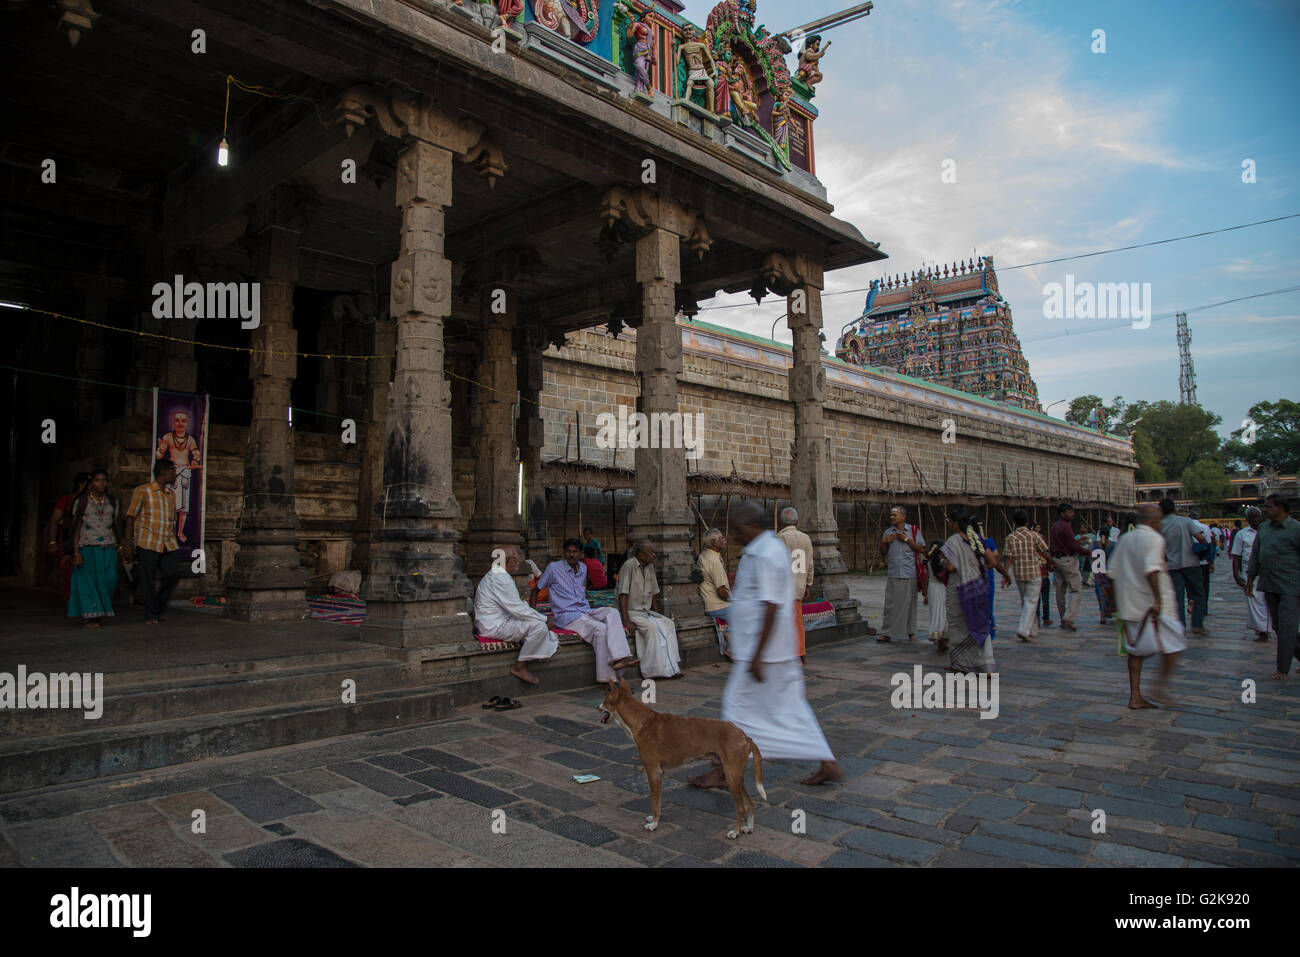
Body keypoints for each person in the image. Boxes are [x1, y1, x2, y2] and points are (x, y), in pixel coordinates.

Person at [689, 501, 841, 788]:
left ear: (751, 526)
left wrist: (757, 655)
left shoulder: (769, 553)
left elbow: (772, 606)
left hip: (766, 652)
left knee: (736, 709)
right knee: (789, 708)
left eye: (737, 529)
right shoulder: (760, 551)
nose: (733, 536)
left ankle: (724, 772)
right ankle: (827, 763)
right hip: (767, 650)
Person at [533, 538, 638, 684]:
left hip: (584, 610)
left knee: (612, 612)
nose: (571, 555)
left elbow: (582, 591)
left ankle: (621, 657)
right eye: (568, 552)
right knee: (600, 629)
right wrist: (536, 616)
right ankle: (608, 679)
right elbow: (535, 590)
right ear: (564, 553)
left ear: (581, 554)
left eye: (575, 552)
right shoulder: (553, 568)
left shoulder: (583, 568)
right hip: (566, 615)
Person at [1111, 503, 1185, 709]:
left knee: (1135, 651)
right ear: (1154, 521)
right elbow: (1151, 570)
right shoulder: (1154, 539)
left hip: (1129, 604)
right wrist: (1158, 600)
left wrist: (1115, 602)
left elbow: (1112, 572)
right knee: (1175, 644)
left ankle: (1135, 696)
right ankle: (1159, 686)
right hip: (1153, 606)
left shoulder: (1125, 538)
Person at [474, 545, 559, 685]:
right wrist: (544, 619)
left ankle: (546, 643)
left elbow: (516, 606)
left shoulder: (498, 575)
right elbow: (517, 609)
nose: (518, 562)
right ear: (506, 561)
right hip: (494, 626)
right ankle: (520, 666)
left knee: (538, 624)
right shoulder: (500, 578)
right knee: (538, 627)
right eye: (516, 558)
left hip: (495, 622)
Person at [939, 509, 1009, 673]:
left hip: (960, 587)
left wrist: (942, 562)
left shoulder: (953, 541)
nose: (950, 524)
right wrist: (975, 568)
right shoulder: (977, 540)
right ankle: (984, 662)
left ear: (956, 524)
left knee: (958, 624)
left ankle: (960, 663)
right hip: (978, 586)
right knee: (978, 623)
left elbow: (951, 566)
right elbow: (991, 562)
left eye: (951, 521)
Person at [1246, 493, 1300, 680]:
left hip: (1291, 586)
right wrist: (1250, 577)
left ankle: (1282, 669)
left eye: (1268, 507)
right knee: (1280, 627)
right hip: (1269, 584)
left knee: (1286, 627)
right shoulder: (1263, 528)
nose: (1265, 510)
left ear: (1280, 508)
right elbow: (1256, 554)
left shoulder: (1295, 529)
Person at [123, 461, 182, 625]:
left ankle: (158, 606)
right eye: (173, 471)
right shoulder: (143, 491)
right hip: (148, 540)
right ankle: (151, 613)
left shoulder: (171, 494)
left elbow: (172, 519)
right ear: (164, 472)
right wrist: (128, 542)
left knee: (173, 573)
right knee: (147, 578)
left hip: (168, 541)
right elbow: (130, 516)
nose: (175, 475)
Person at [617, 540, 683, 680]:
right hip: (632, 611)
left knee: (668, 624)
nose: (653, 555)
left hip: (646, 612)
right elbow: (623, 594)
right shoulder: (628, 566)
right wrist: (626, 620)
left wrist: (657, 614)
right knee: (650, 629)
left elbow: (654, 593)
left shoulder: (650, 567)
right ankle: (651, 670)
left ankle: (672, 667)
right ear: (641, 554)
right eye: (651, 553)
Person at [66, 469, 119, 628]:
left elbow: (116, 524)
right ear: (91, 483)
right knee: (88, 582)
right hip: (87, 547)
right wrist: (76, 552)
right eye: (97, 480)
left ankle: (99, 612)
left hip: (108, 547)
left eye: (104, 480)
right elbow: (77, 528)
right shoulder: (82, 502)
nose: (101, 483)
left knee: (109, 580)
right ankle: (90, 617)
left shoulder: (112, 501)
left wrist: (122, 544)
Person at [1159, 498, 1207, 635]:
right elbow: (1201, 538)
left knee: (1177, 596)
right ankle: (1197, 625)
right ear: (1174, 509)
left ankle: (1179, 626)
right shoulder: (1185, 521)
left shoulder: (1160, 525)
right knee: (1198, 594)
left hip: (1172, 565)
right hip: (1191, 562)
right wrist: (1201, 551)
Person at [878, 505, 925, 643]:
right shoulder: (888, 532)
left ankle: (911, 633)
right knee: (891, 604)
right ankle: (887, 632)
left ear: (903, 516)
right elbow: (883, 552)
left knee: (910, 604)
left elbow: (921, 548)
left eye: (895, 515)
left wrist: (906, 539)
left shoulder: (913, 531)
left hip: (909, 573)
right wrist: (884, 542)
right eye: (891, 515)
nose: (892, 517)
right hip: (893, 573)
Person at [1004, 508, 1051, 642]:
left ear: (1014, 522)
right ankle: (1024, 629)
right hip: (1034, 573)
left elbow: (1009, 558)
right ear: (1027, 521)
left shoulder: (1010, 537)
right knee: (1031, 602)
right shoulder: (1034, 535)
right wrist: (1052, 562)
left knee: (1027, 602)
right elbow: (1045, 551)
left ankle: (1033, 630)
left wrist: (1005, 574)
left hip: (1019, 573)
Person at [156, 410, 201, 544]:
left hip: (185, 472)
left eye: (183, 420)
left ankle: (180, 532)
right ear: (173, 422)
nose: (180, 423)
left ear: (187, 423)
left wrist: (195, 459)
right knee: (171, 505)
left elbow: (196, 454)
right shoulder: (168, 437)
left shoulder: (190, 439)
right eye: (177, 420)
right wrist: (161, 449)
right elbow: (158, 456)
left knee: (183, 507)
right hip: (172, 473)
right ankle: (170, 530)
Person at [777, 507, 814, 660]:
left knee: (785, 621)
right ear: (797, 521)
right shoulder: (805, 537)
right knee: (796, 620)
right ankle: (800, 652)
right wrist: (808, 583)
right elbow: (810, 562)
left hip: (784, 586)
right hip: (799, 584)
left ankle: (796, 652)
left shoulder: (780, 538)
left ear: (781, 522)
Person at [46, 472, 90, 601]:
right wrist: (52, 542)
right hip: (68, 542)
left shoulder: (96, 501)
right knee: (69, 573)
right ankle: (72, 602)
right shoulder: (67, 500)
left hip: (88, 541)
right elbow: (54, 522)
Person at [1231, 507, 1271, 642]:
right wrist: (1236, 574)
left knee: (1268, 601)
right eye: (1251, 517)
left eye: (1256, 517)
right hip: (1249, 573)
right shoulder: (1242, 534)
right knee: (1254, 601)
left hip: (1269, 571)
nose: (1254, 520)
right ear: (1247, 520)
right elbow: (1236, 555)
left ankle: (1268, 628)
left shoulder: (1268, 531)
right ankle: (1262, 631)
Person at [1050, 503, 1090, 631]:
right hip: (1067, 560)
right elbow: (1073, 546)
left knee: (1060, 591)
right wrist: (1088, 552)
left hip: (1057, 559)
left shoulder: (1054, 526)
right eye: (1069, 512)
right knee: (1075, 589)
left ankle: (1063, 619)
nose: (1072, 514)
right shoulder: (1065, 527)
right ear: (1062, 513)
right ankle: (1069, 618)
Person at [696, 529, 731, 613]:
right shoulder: (715, 562)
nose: (725, 540)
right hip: (719, 606)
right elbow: (722, 593)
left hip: (710, 604)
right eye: (721, 538)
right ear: (714, 542)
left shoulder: (704, 554)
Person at [1188, 506, 1213, 618]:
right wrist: (1211, 562)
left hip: (1189, 560)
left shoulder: (1186, 527)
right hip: (1203, 561)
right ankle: (1203, 608)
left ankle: (1192, 604)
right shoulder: (1205, 527)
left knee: (1191, 585)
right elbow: (1208, 545)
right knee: (1204, 586)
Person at [924, 541, 948, 649]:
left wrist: (925, 593)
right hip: (943, 589)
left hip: (932, 589)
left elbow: (926, 578)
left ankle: (937, 636)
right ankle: (943, 636)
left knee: (935, 612)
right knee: (943, 612)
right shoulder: (943, 563)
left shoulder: (929, 563)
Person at [1032, 523, 1053, 625]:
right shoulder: (1044, 555)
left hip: (1039, 577)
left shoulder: (1033, 555)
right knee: (1043, 600)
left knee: (1040, 600)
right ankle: (1045, 618)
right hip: (1041, 577)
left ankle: (1040, 619)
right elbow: (1050, 566)